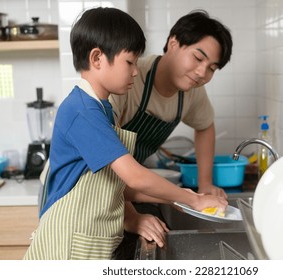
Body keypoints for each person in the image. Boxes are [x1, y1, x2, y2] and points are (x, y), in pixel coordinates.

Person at [23, 7, 227, 260]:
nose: (135, 70)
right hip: (68, 242)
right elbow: (134, 177)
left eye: (212, 67)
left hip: (89, 238)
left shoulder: (101, 108)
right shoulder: (83, 111)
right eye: (130, 62)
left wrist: (185, 198)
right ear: (97, 58)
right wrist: (191, 200)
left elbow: (117, 186)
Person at [110, 9, 233, 259]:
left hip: (122, 187)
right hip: (93, 188)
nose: (202, 73)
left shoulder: (191, 92)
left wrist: (205, 183)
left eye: (212, 68)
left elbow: (205, 125)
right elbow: (101, 166)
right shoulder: (129, 81)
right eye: (198, 58)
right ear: (173, 43)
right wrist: (132, 217)